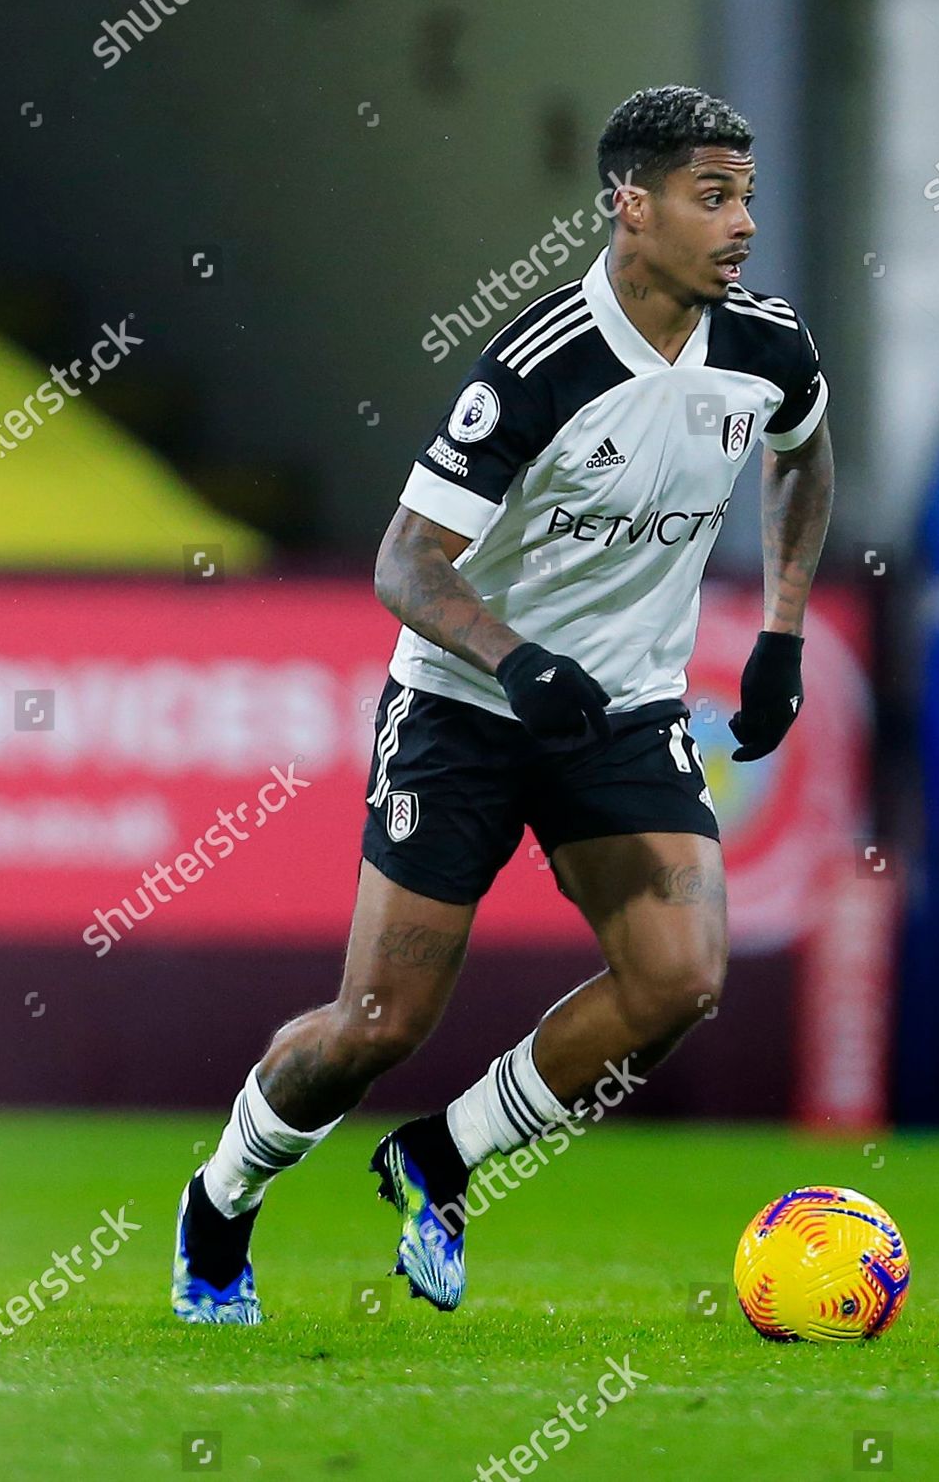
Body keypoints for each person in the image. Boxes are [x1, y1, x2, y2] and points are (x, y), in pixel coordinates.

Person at [172, 83, 833, 1323]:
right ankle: (220, 1200)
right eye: (712, 197)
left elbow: (802, 451)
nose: (740, 224)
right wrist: (516, 656)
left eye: (745, 196)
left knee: (679, 978)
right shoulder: (543, 363)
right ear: (628, 206)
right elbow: (405, 562)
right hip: (466, 711)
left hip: (622, 714)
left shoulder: (766, 344)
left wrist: (782, 632)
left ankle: (441, 1157)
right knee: (378, 1022)